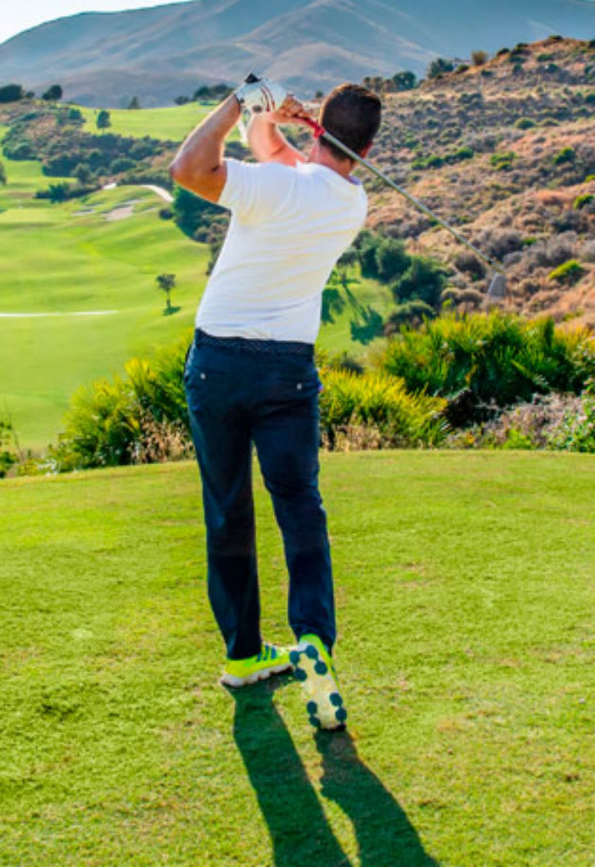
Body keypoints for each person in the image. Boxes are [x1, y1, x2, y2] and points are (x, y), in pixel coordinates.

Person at [169, 80, 383, 731]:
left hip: (219, 365)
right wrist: (273, 119)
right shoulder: (352, 203)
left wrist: (241, 102)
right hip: (288, 373)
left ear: (321, 129)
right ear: (367, 147)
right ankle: (313, 638)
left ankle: (241, 656)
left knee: (227, 509)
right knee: (300, 508)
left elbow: (188, 169)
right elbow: (279, 158)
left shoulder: (276, 188)